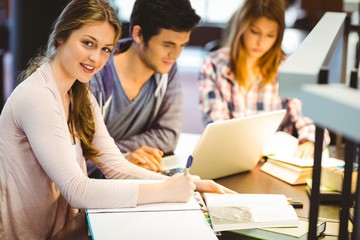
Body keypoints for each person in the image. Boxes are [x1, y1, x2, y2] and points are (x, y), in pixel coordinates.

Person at [0, 0, 234, 238]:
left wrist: (190, 182)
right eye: (88, 43)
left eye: (105, 49)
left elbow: (115, 165)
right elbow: (77, 189)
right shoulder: (37, 96)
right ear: (61, 37)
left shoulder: (79, 93)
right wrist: (165, 190)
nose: (96, 58)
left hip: (61, 228)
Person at [198, 0, 330, 159]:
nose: (261, 42)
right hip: (231, 156)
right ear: (242, 27)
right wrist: (245, 149)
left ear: (279, 36)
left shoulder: (286, 68)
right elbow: (216, 123)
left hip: (274, 161)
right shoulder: (214, 64)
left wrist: (309, 141)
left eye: (270, 35)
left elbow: (308, 117)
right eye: (254, 32)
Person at [88, 0, 201, 175]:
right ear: (138, 34)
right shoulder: (96, 74)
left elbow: (168, 136)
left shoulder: (166, 68)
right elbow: (78, 156)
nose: (175, 55)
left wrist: (114, 155)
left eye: (182, 46)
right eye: (167, 44)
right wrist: (120, 159)